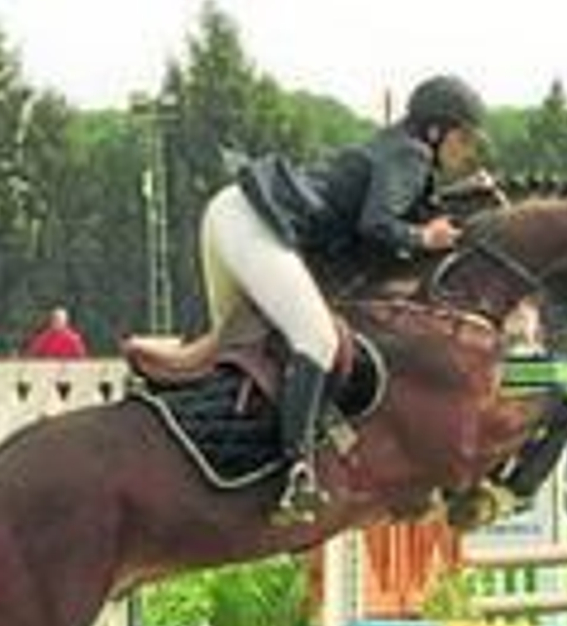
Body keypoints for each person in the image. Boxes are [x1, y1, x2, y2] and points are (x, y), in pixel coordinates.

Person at [198, 74, 486, 525]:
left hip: (234, 212)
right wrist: (424, 236)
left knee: (241, 350)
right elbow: (378, 225)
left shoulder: (400, 150)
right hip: (253, 223)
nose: (468, 151)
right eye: (464, 137)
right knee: (317, 339)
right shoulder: (412, 153)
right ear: (436, 131)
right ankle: (297, 475)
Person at [23, 306, 89, 359]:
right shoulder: (44, 337)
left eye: (59, 320)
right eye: (54, 320)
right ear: (51, 321)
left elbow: (82, 358)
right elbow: (31, 353)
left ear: (65, 321)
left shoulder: (73, 338)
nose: (57, 322)